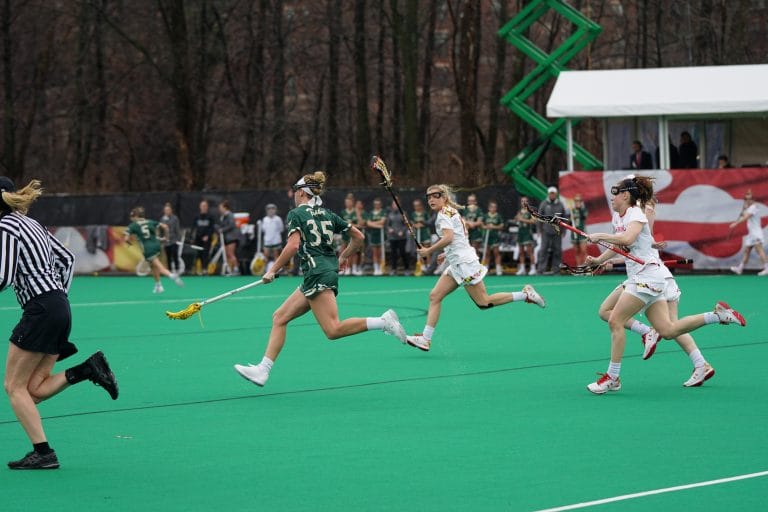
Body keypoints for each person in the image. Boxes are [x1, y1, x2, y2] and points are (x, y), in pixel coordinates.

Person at [233, 171, 408, 386]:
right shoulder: (328, 214)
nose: (293, 194)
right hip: (318, 273)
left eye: (296, 191)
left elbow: (293, 245)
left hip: (317, 273)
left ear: (302, 193)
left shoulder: (296, 214)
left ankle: (383, 322)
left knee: (333, 329)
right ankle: (263, 370)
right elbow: (359, 236)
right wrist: (343, 256)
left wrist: (273, 269)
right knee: (279, 317)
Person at [583, 175, 746, 394]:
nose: (612, 198)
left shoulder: (637, 213)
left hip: (647, 277)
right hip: (643, 277)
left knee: (615, 320)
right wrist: (598, 260)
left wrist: (599, 236)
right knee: (668, 330)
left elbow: (628, 240)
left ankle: (613, 377)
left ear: (626, 195)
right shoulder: (618, 217)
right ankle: (717, 316)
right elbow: (619, 247)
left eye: (616, 193)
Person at [0, 177, 118, 470]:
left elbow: (3, 277)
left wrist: (44, 300)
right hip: (59, 307)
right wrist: (57, 295)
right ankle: (87, 369)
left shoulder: (5, 227)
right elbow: (66, 258)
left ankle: (43, 453)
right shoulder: (33, 224)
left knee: (13, 387)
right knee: (34, 390)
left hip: (40, 310)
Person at [403, 184, 546, 352]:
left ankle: (524, 295)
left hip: (464, 264)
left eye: (436, 195)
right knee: (435, 296)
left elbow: (449, 237)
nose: (431, 199)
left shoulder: (443, 215)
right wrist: (446, 254)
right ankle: (425, 339)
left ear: (445, 197)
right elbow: (459, 237)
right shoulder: (450, 211)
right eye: (428, 197)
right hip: (457, 262)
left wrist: (429, 250)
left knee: (484, 302)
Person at [596, 195, 716, 387]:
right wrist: (610, 261)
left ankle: (701, 358)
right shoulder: (629, 221)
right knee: (667, 328)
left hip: (654, 278)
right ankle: (698, 360)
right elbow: (630, 251)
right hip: (639, 277)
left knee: (671, 328)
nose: (650, 210)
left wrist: (607, 249)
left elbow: (633, 246)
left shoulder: (639, 219)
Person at [125, 207, 184, 293]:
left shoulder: (133, 225)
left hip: (148, 249)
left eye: (132, 217)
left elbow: (126, 239)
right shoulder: (150, 222)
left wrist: (129, 244)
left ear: (136, 216)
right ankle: (158, 286)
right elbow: (165, 227)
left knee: (159, 267)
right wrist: (166, 238)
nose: (132, 219)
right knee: (153, 266)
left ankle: (172, 275)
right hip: (157, 246)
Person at [729, 189, 768, 276]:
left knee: (760, 250)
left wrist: (735, 224)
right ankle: (740, 269)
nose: (747, 201)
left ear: (753, 200)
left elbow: (746, 217)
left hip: (756, 233)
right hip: (751, 234)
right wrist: (744, 209)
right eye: (745, 199)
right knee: (747, 251)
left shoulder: (754, 207)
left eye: (749, 199)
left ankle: (767, 268)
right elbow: (743, 214)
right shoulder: (749, 208)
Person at [536, 186, 567, 274]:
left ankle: (556, 270)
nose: (552, 195)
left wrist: (563, 230)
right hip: (546, 231)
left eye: (553, 193)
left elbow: (564, 218)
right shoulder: (544, 204)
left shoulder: (560, 204)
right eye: (551, 193)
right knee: (543, 250)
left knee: (557, 250)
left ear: (556, 194)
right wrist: (539, 230)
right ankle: (541, 270)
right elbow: (539, 217)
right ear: (548, 194)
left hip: (557, 232)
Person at [385, 199, 410, 275]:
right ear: (392, 206)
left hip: (402, 237)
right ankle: (393, 269)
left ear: (399, 205)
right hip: (392, 237)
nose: (395, 206)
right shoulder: (390, 214)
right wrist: (389, 229)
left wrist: (402, 231)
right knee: (393, 253)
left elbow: (407, 224)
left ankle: (406, 269)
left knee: (403, 253)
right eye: (394, 204)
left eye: (396, 204)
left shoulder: (403, 213)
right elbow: (387, 225)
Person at [191, 199, 215, 275]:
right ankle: (195, 270)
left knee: (205, 254)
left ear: (207, 207)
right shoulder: (196, 216)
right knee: (198, 254)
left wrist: (207, 236)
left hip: (207, 240)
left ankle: (205, 269)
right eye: (202, 206)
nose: (203, 207)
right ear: (200, 207)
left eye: (205, 206)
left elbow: (212, 228)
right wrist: (193, 237)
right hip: (198, 239)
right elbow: (193, 227)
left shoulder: (210, 217)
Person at [411, 198, 434, 275]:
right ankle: (422, 267)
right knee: (420, 251)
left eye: (418, 205)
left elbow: (428, 222)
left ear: (421, 206)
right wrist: (415, 225)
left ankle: (428, 266)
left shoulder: (425, 213)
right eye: (415, 206)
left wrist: (422, 224)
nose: (417, 207)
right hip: (418, 234)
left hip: (425, 234)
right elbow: (412, 223)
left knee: (427, 250)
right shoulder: (413, 214)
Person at [339, 194, 361, 276]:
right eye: (346, 202)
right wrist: (347, 225)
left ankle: (354, 268)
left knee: (354, 252)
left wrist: (351, 225)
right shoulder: (343, 212)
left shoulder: (356, 212)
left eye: (349, 202)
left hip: (354, 236)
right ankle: (346, 268)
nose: (347, 204)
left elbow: (360, 224)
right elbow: (340, 224)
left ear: (352, 203)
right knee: (344, 251)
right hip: (345, 235)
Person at [515, 196, 537, 276]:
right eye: (522, 201)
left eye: (525, 201)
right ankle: (522, 268)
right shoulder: (519, 212)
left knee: (529, 251)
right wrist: (517, 219)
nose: (523, 203)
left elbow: (534, 221)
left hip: (527, 232)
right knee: (521, 252)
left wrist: (522, 220)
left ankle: (533, 268)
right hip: (520, 232)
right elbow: (517, 219)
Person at [482, 200, 505, 275]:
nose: (493, 208)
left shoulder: (498, 216)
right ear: (489, 208)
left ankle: (498, 269)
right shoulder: (485, 216)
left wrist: (493, 227)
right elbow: (482, 225)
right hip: (487, 237)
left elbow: (501, 226)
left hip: (495, 237)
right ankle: (486, 269)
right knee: (487, 253)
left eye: (495, 207)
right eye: (492, 207)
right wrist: (486, 227)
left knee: (496, 253)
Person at [217, 200, 240, 275]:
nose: (219, 209)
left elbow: (231, 225)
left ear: (225, 207)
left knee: (231, 254)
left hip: (232, 238)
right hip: (226, 238)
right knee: (227, 254)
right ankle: (231, 270)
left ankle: (236, 269)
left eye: (221, 207)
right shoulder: (223, 216)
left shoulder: (230, 215)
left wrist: (222, 230)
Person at [261, 203, 284, 274]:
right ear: (267, 211)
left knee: (276, 256)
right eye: (269, 209)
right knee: (265, 256)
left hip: (276, 241)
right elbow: (263, 229)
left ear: (275, 210)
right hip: (267, 241)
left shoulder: (278, 219)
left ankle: (276, 271)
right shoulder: (264, 219)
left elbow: (281, 229)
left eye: (272, 209)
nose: (271, 211)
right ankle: (264, 271)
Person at [160, 202, 181, 274]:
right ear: (164, 211)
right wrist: (162, 240)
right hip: (166, 242)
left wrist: (178, 239)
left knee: (175, 255)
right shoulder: (162, 219)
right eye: (166, 210)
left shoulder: (175, 218)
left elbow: (177, 230)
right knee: (168, 257)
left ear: (171, 210)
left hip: (174, 241)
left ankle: (177, 269)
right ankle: (170, 271)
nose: (167, 211)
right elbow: (161, 231)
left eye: (168, 210)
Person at [366, 198, 386, 275]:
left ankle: (381, 268)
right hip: (373, 234)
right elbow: (368, 223)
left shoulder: (383, 212)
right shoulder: (371, 213)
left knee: (380, 252)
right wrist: (378, 226)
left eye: (378, 204)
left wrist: (373, 223)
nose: (377, 205)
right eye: (375, 204)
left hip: (381, 235)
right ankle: (376, 269)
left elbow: (383, 222)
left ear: (380, 204)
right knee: (374, 253)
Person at [570, 195, 588, 266]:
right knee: (577, 251)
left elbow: (584, 217)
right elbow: (569, 222)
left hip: (582, 232)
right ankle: (579, 267)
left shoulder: (583, 210)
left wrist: (579, 209)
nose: (577, 202)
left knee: (583, 251)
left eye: (579, 201)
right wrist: (571, 218)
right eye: (576, 201)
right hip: (574, 233)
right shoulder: (572, 210)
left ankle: (585, 266)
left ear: (581, 202)